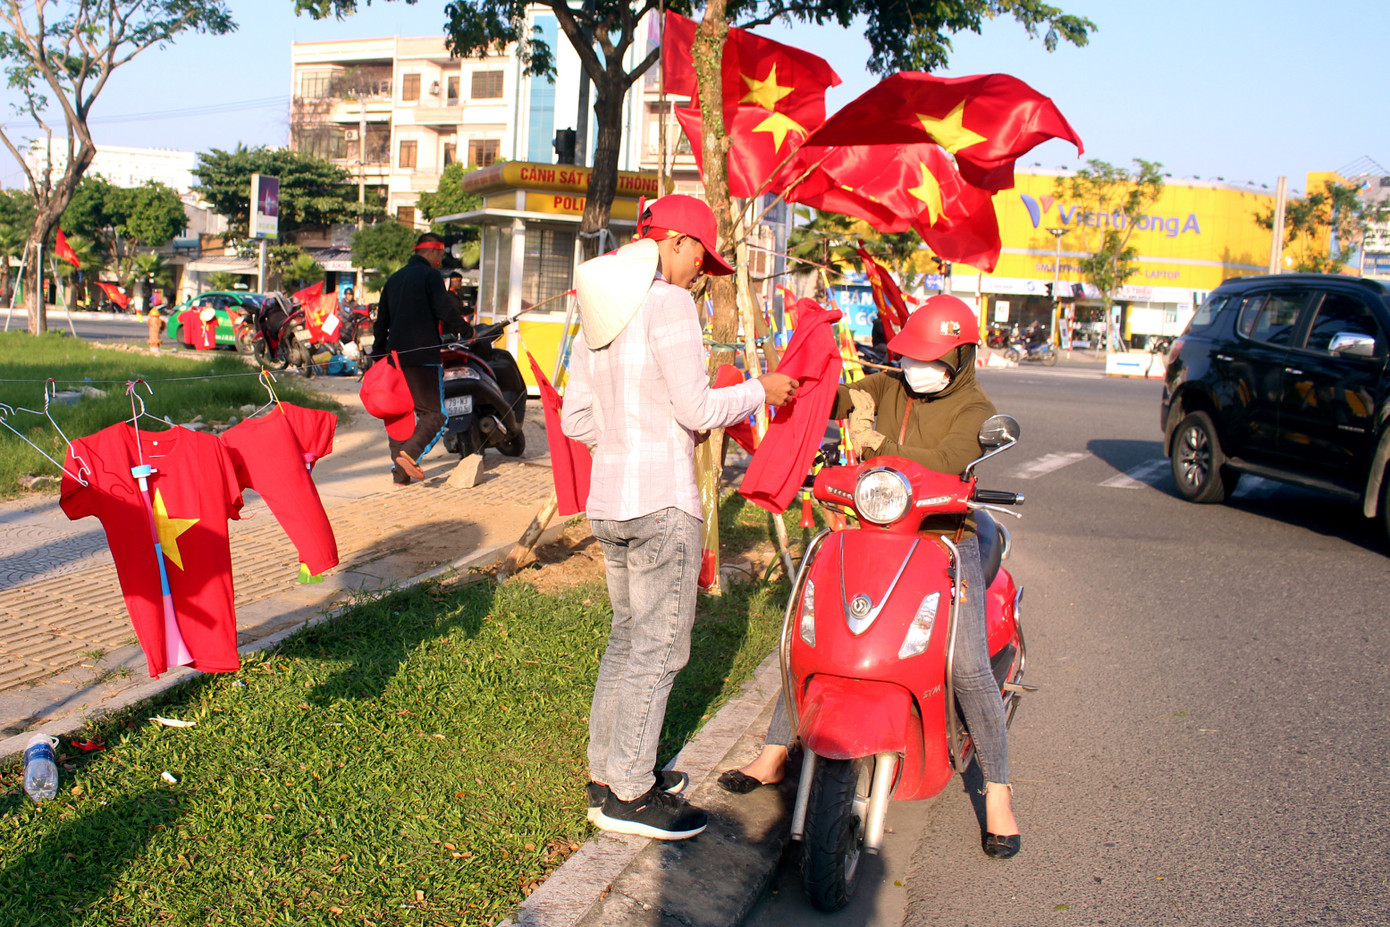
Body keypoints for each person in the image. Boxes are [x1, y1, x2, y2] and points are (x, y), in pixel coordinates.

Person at [715, 294, 1023, 859]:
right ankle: (775, 751)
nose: (916, 366)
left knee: (967, 666)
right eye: (911, 355)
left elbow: (945, 462)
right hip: (876, 535)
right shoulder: (890, 385)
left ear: (960, 359)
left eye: (931, 358)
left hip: (944, 542)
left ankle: (998, 792)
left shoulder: (975, 409)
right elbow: (838, 399)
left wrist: (880, 446)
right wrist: (795, 382)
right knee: (814, 640)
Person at [561, 194, 799, 841]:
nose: (701, 272)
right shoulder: (668, 304)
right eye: (701, 258)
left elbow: (575, 418)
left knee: (626, 638)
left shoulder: (601, 305)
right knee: (660, 647)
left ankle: (607, 775)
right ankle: (631, 794)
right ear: (676, 242)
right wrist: (759, 391)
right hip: (663, 500)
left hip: (610, 502)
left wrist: (622, 441)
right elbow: (696, 409)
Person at [371, 232, 470, 485]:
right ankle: (411, 455)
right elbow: (444, 309)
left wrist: (378, 355)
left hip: (394, 359)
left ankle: (400, 477)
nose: (440, 259)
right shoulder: (431, 276)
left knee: (401, 415)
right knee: (435, 415)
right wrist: (467, 331)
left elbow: (381, 322)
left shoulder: (394, 279)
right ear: (434, 251)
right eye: (441, 254)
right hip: (423, 357)